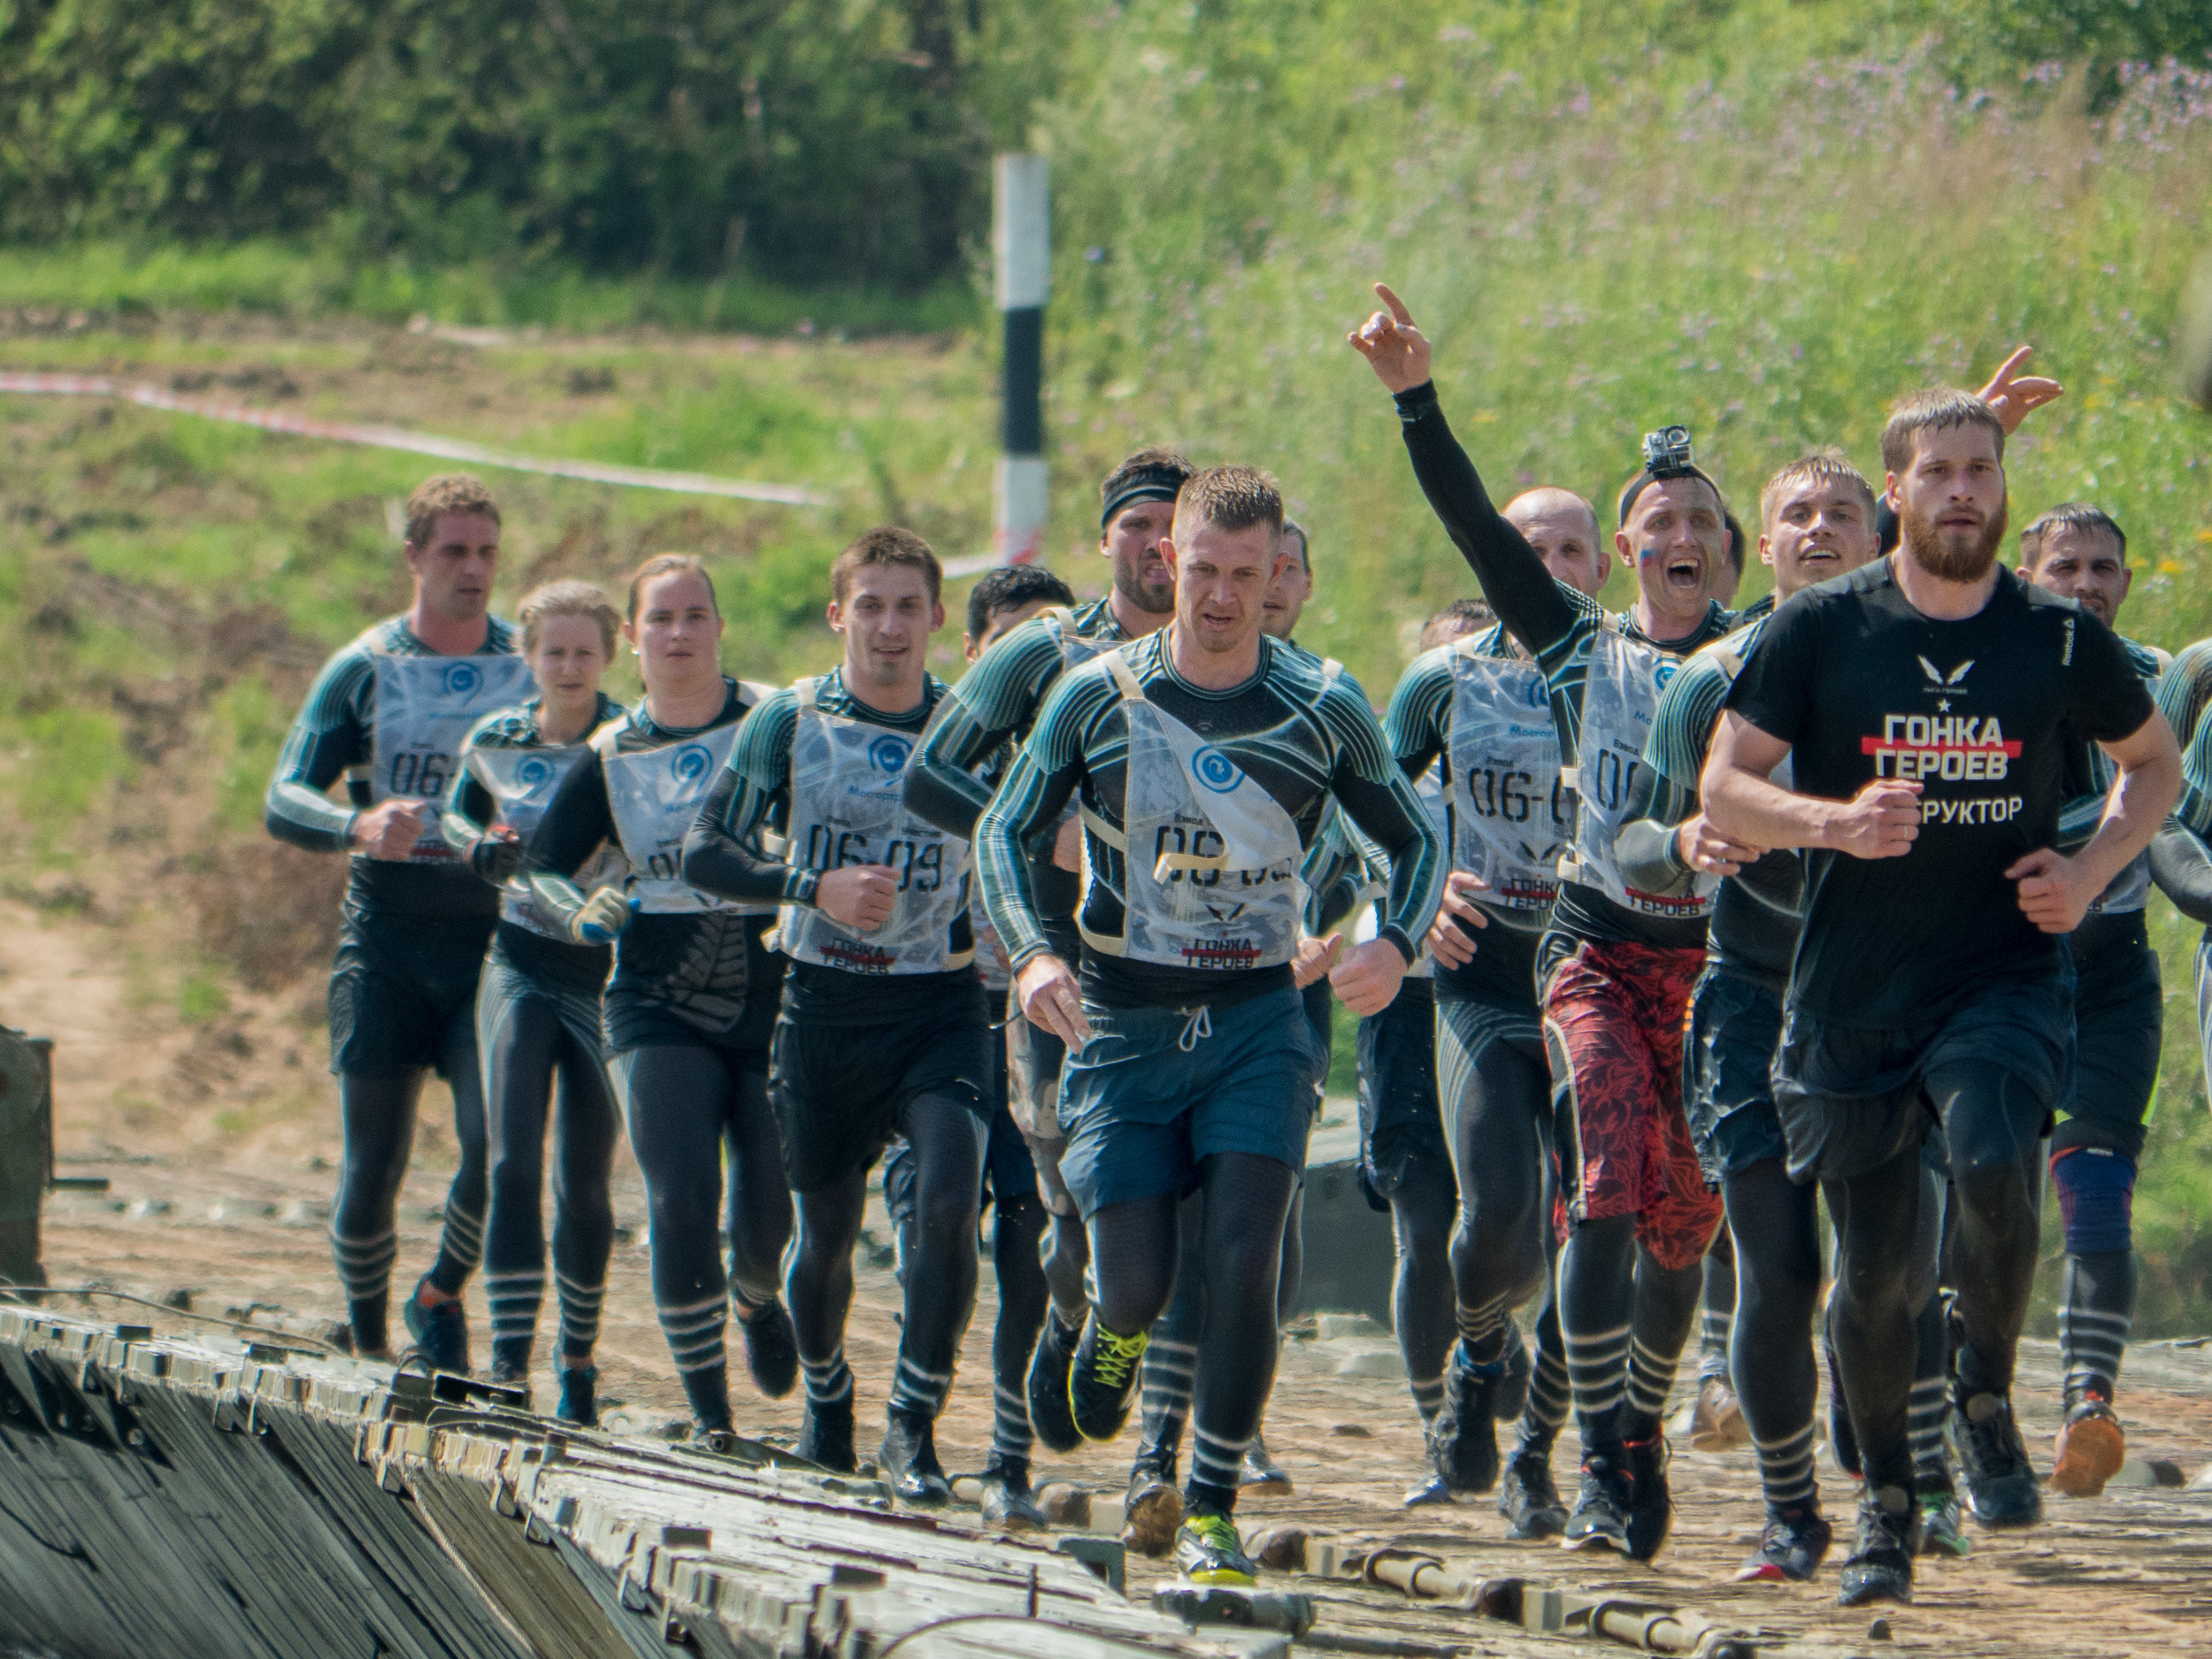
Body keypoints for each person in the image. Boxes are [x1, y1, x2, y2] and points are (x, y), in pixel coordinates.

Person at [1700, 389, 2177, 1605]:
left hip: (1999, 969)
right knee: (1873, 1274)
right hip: (1855, 988)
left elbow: (2154, 767)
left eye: (1983, 468)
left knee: (1996, 1161)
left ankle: (1983, 1381)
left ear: (2001, 488)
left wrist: (2087, 868)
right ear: (1896, 492)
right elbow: (1725, 786)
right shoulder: (1817, 629)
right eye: (1940, 471)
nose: (1964, 488)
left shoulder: (2060, 637)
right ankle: (1889, 1502)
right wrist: (1835, 824)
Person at [976, 465, 1443, 1586]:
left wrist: (1391, 941)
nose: (1224, 597)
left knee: (1242, 1263)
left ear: (1279, 571)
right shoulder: (1098, 694)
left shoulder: (1321, 702)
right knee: (1135, 1280)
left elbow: (1414, 844)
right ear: (1162, 564)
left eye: (1247, 574)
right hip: (1126, 1020)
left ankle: (1213, 1507)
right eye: (1201, 572)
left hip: (1258, 1020)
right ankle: (1107, 1330)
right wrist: (1036, 952)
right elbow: (1003, 830)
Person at [1352, 284, 1734, 1563]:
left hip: (1718, 973)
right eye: (1654, 522)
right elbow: (1473, 533)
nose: (1677, 536)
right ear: (1628, 558)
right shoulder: (1575, 650)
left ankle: (1576, 1427)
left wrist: (1952, 483)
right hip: (1572, 959)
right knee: (1566, 1200)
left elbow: (1887, 582)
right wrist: (1418, 400)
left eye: (1700, 522)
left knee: (1676, 1238)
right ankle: (1582, 1438)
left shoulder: (1778, 650)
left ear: (1730, 554)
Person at [1616, 451, 1885, 1582]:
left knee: (1884, 1279)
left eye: (1841, 514)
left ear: (1881, 537)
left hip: (1892, 1010)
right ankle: (1790, 1511)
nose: (1818, 531)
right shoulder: (1706, 681)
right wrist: (1681, 842)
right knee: (1778, 1272)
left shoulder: (1928, 672)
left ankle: (1899, 1476)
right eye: (1794, 517)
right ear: (1755, 549)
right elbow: (1626, 836)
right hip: (1750, 998)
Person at [684, 527, 991, 1503]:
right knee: (819, 1241)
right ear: (837, 615)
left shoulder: (971, 727)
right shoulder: (788, 720)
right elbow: (704, 852)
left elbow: (1029, 835)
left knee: (948, 1203)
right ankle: (828, 1398)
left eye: (908, 606)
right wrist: (810, 886)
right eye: (870, 605)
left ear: (939, 618)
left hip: (938, 1008)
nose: (890, 628)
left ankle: (913, 1423)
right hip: (821, 1009)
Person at [904, 449, 1195, 1455]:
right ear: (1103, 540)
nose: (1157, 546)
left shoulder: (1231, 654)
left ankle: (1162, 1432)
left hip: (1198, 967)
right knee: (1071, 1193)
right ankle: (1071, 1323)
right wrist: (1041, 831)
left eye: (1175, 526)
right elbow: (932, 775)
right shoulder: (1043, 653)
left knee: (1187, 1196)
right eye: (1136, 525)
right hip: (1061, 962)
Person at [524, 555, 795, 1440]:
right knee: (680, 1198)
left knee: (766, 1217)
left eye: (694, 617)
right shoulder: (611, 754)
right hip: (650, 998)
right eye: (660, 621)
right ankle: (712, 1416)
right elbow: (538, 869)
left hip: (771, 995)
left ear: (719, 627)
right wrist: (582, 906)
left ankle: (757, 1297)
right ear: (633, 642)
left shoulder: (776, 722)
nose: (678, 635)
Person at [266, 473, 533, 1368]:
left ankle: (439, 1294)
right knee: (373, 1160)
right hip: (384, 937)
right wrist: (356, 823)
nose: (474, 569)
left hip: (489, 942)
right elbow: (283, 794)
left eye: (488, 552)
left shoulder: (530, 666)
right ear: (415, 557)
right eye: (455, 551)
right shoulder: (365, 667)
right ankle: (370, 1344)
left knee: (497, 1147)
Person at [1374, 503, 1603, 1522]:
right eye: (1526, 551)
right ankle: (1476, 1365)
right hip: (1480, 978)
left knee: (1593, 1227)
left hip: (1599, 978)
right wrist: (1417, 902)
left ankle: (1542, 1458)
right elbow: (1363, 805)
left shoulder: (1635, 675)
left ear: (1601, 566)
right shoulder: (1445, 679)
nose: (1544, 570)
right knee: (1499, 1213)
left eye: (1565, 553)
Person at [883, 560, 1074, 1528]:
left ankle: (1007, 1457)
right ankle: (910, 1425)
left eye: (1053, 639)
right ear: (973, 655)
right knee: (940, 1229)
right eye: (1012, 643)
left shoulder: (1088, 739)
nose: (1033, 663)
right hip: (945, 1015)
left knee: (1030, 1240)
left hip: (1042, 1018)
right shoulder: (947, 750)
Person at [439, 581, 627, 1423]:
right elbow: (456, 815)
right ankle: (509, 1361)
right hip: (517, 962)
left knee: (584, 1182)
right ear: (528, 657)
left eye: (585, 651)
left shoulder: (633, 740)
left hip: (605, 975)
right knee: (512, 1161)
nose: (570, 667)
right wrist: (476, 847)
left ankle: (577, 1362)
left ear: (611, 653)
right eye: (554, 652)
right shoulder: (498, 737)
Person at [2015, 503, 2169, 1500]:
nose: (2086, 582)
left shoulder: (2155, 685)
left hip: (2112, 972)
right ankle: (1956, 1397)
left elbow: (2181, 819)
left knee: (2097, 1182)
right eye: (2063, 565)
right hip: (1994, 972)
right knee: (1983, 1193)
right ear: (2027, 578)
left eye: (2103, 567)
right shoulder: (1992, 678)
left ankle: (2087, 1404)